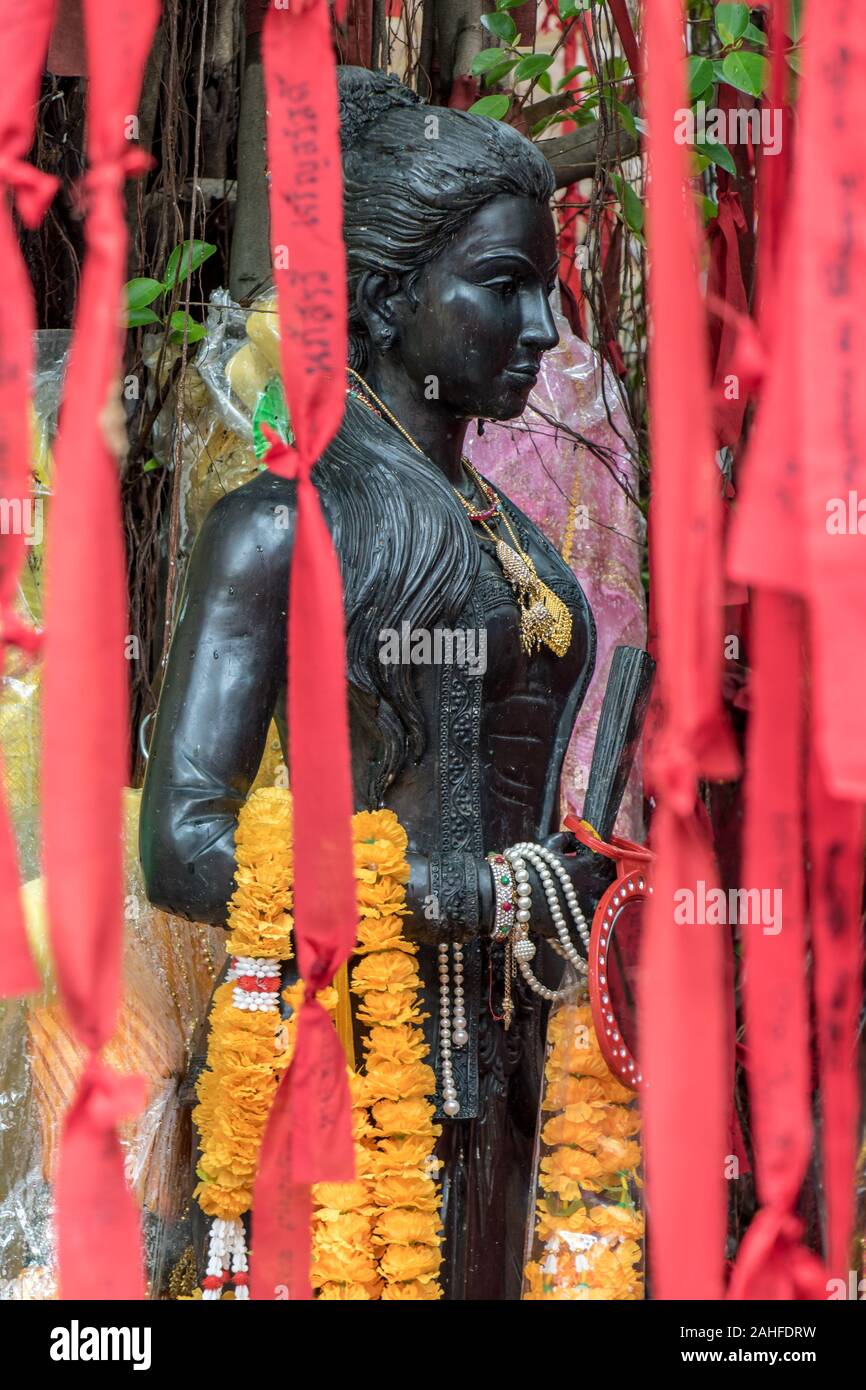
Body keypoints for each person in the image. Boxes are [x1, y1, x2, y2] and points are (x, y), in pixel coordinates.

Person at [140, 67, 612, 1300]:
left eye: (546, 290)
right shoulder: (278, 528)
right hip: (339, 1066)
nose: (544, 331)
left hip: (502, 1061)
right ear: (389, 297)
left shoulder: (508, 527)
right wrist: (448, 889)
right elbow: (184, 842)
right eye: (502, 287)